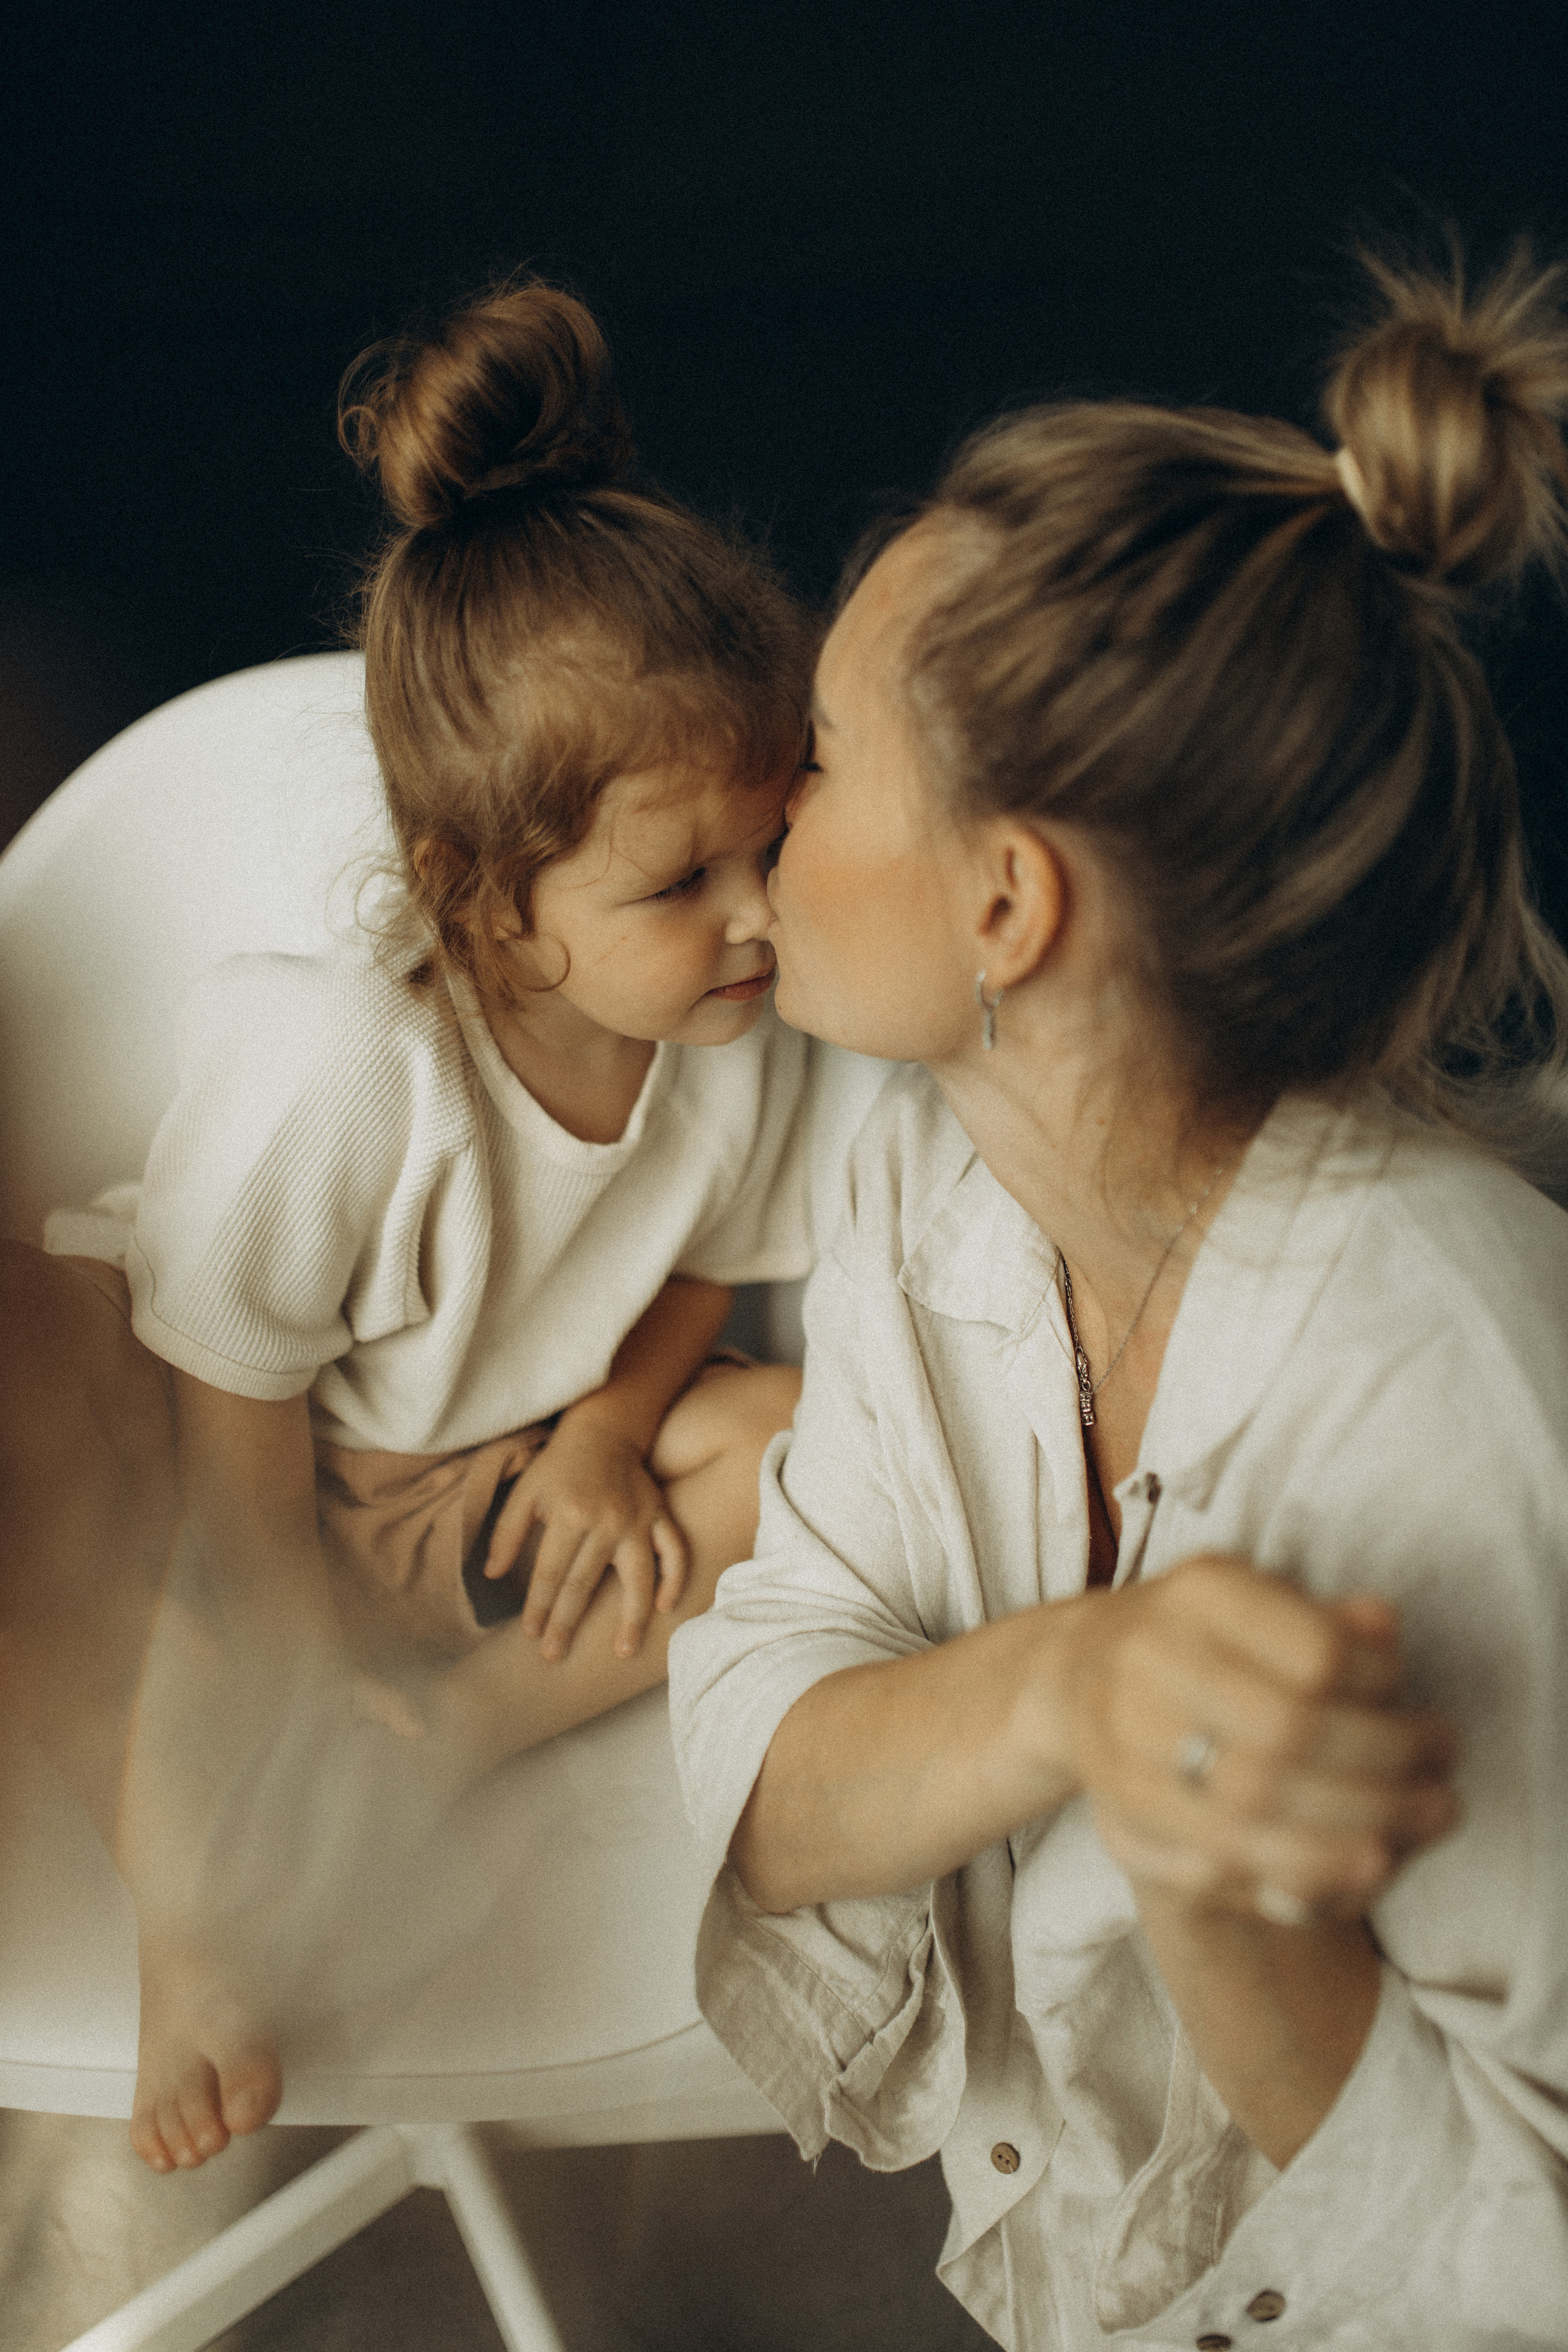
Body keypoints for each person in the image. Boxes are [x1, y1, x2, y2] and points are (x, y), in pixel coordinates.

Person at [669, 247, 1568, 2350]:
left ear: (1007, 903)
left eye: (816, 754)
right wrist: (1081, 1688)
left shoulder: (1451, 1385)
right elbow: (767, 1755)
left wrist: (1225, 1893)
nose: (762, 807)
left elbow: (1534, 2247)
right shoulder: (926, 1181)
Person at [0, 282, 813, 2176]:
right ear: (497, 904)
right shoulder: (348, 1063)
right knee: (164, 1607)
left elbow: (705, 1262)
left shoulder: (724, 1023)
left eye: (772, 845)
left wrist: (614, 1435)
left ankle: (461, 1735)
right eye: (686, 878)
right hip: (220, 1446)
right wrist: (278, 1655)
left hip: (491, 1475)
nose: (763, 915)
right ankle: (182, 1933)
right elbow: (232, 1416)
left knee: (790, 1442)